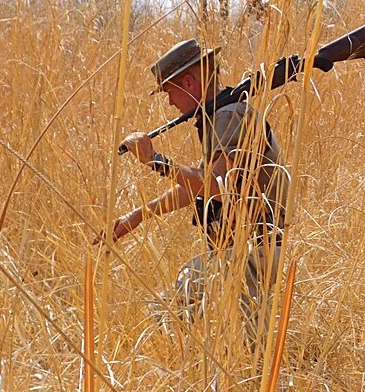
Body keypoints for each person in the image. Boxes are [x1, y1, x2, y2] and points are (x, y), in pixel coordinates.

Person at [96, 38, 291, 335]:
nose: (171, 102)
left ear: (189, 82)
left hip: (253, 250)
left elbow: (217, 187)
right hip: (249, 250)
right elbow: (200, 185)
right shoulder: (223, 116)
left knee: (170, 311)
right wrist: (136, 217)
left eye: (170, 92)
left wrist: (155, 161)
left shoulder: (227, 117)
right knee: (244, 345)